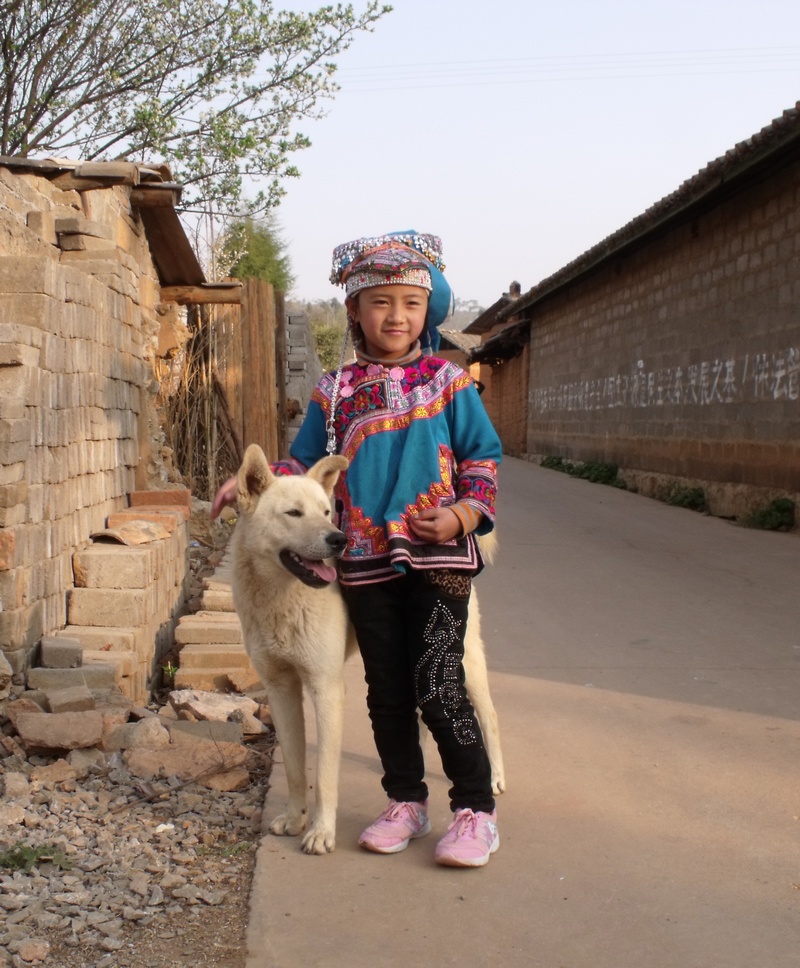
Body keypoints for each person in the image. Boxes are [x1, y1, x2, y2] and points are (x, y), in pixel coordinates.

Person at [213, 231, 502, 867]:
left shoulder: (450, 382)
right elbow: (298, 462)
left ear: (428, 311)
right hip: (363, 564)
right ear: (354, 310)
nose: (395, 315)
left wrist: (461, 514)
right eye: (379, 302)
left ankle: (475, 811)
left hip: (439, 562)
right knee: (387, 690)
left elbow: (484, 457)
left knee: (440, 683)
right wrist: (248, 485)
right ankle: (406, 801)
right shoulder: (335, 390)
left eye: (409, 302)